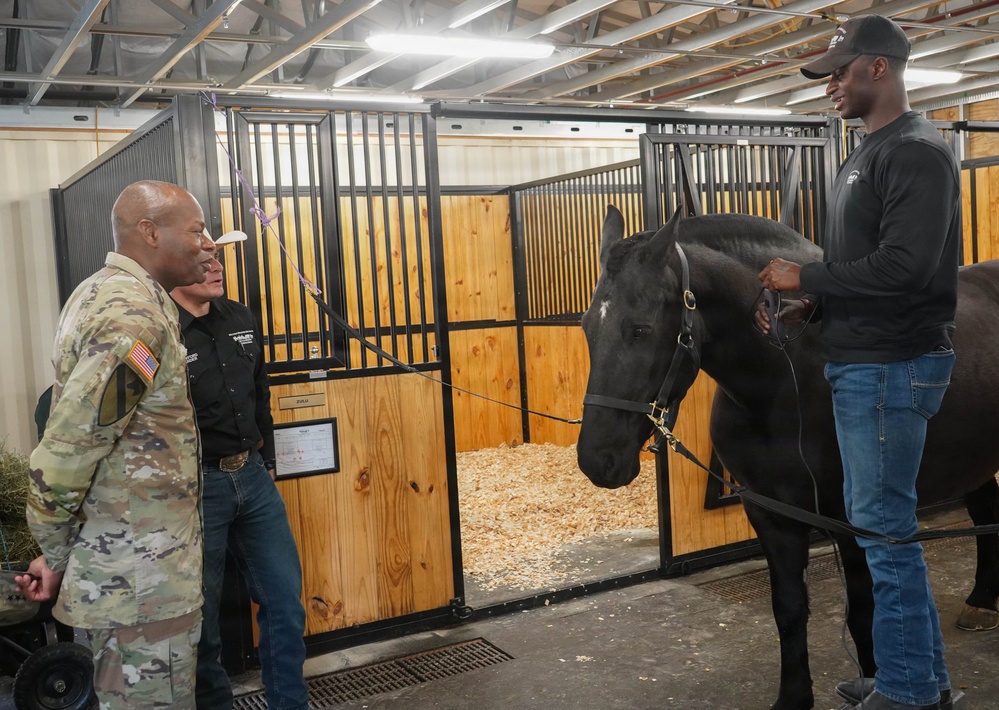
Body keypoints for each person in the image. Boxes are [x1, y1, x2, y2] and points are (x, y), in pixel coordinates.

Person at [756, 15, 961, 710]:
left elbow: (907, 267)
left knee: (883, 537)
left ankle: (906, 695)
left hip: (888, 368)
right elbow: (861, 264)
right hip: (863, 359)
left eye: (839, 72)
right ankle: (920, 681)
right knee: (886, 535)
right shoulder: (866, 151)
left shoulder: (913, 152)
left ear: (879, 68)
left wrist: (804, 280)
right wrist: (812, 307)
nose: (830, 87)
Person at [16, 180, 216, 708]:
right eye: (198, 230)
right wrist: (55, 549)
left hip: (127, 576)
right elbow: (65, 452)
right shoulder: (136, 318)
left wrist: (58, 555)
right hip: (141, 586)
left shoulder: (98, 291)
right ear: (150, 232)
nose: (209, 243)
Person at [171, 240, 309, 710]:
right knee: (201, 622)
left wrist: (266, 459)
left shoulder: (241, 317)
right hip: (197, 488)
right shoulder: (161, 331)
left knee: (285, 603)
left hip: (252, 475)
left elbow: (259, 390)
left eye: (218, 258)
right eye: (204, 259)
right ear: (174, 266)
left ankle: (289, 704)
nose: (216, 266)